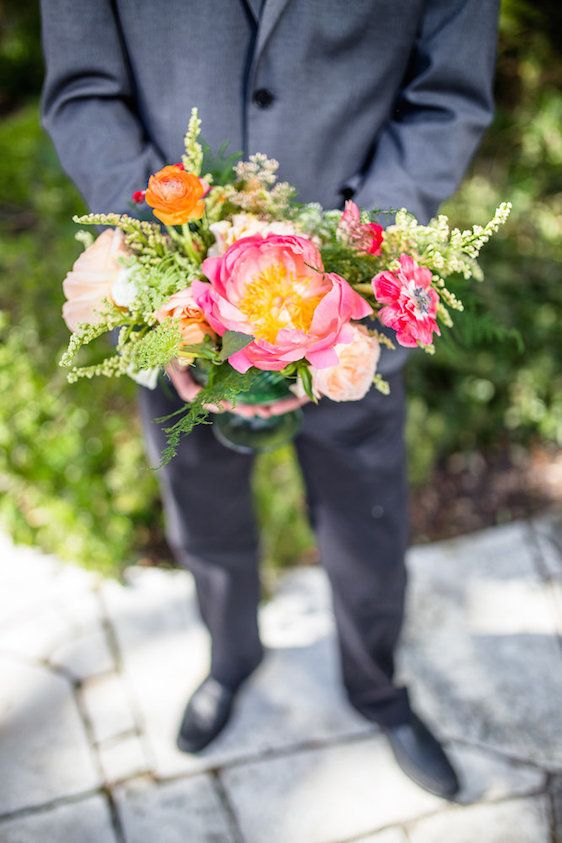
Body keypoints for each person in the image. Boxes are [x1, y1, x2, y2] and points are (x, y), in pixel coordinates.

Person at [40, 0, 500, 799]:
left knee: (368, 521)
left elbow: (446, 98)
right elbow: (83, 91)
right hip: (172, 302)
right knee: (205, 514)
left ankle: (376, 686)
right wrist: (174, 280)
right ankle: (230, 656)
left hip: (354, 300)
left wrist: (342, 274)